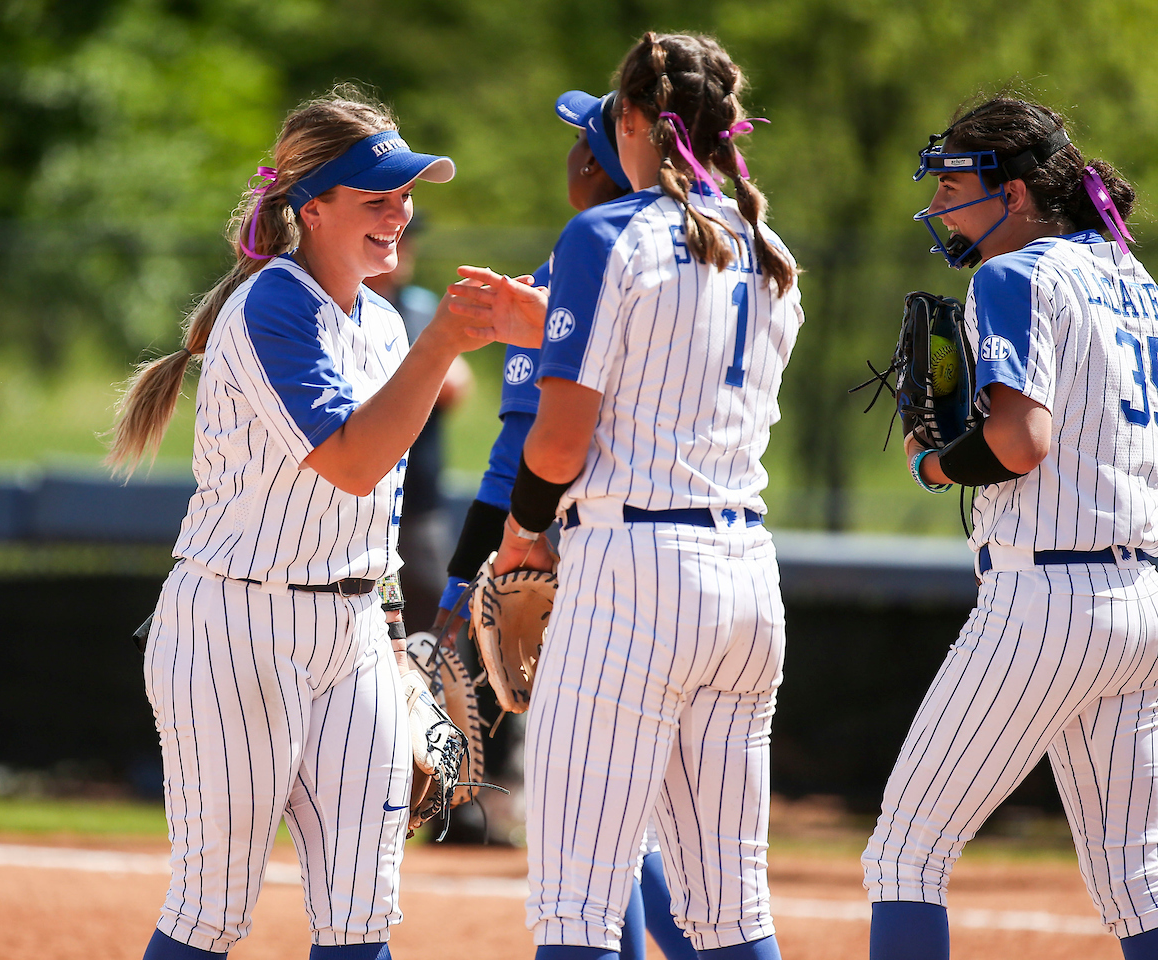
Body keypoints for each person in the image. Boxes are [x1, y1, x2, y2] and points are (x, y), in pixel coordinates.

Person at [107, 86, 530, 960]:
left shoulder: (378, 319)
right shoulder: (272, 305)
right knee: (211, 909)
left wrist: (392, 632)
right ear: (311, 207)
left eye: (406, 196)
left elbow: (371, 506)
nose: (399, 214)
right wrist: (443, 343)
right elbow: (349, 460)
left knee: (362, 910)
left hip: (350, 631)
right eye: (376, 198)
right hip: (236, 627)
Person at [450, 32, 802, 960]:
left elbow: (559, 443)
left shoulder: (605, 233)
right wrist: (547, 321)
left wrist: (524, 532)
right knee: (730, 911)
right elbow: (674, 369)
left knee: (576, 907)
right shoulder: (772, 250)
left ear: (639, 122)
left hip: (634, 575)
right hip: (745, 579)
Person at [863, 96, 1158, 960]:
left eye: (955, 183)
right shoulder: (1137, 282)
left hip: (1050, 599)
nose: (939, 203)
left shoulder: (1012, 274)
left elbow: (1020, 445)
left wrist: (934, 462)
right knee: (1141, 880)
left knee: (906, 855)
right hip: (1142, 596)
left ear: (1018, 193)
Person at [435, 87, 694, 960]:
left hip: (596, 572)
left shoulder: (571, 271)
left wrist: (457, 585)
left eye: (583, 142)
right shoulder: (721, 254)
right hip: (716, 568)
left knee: (584, 830)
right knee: (672, 844)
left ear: (604, 159)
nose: (572, 159)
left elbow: (521, 459)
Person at [366, 218, 474, 633]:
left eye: (407, 238)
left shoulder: (417, 306)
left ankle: (444, 700)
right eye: (395, 238)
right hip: (355, 495)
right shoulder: (337, 305)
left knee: (439, 619)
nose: (404, 248)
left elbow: (456, 384)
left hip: (417, 499)